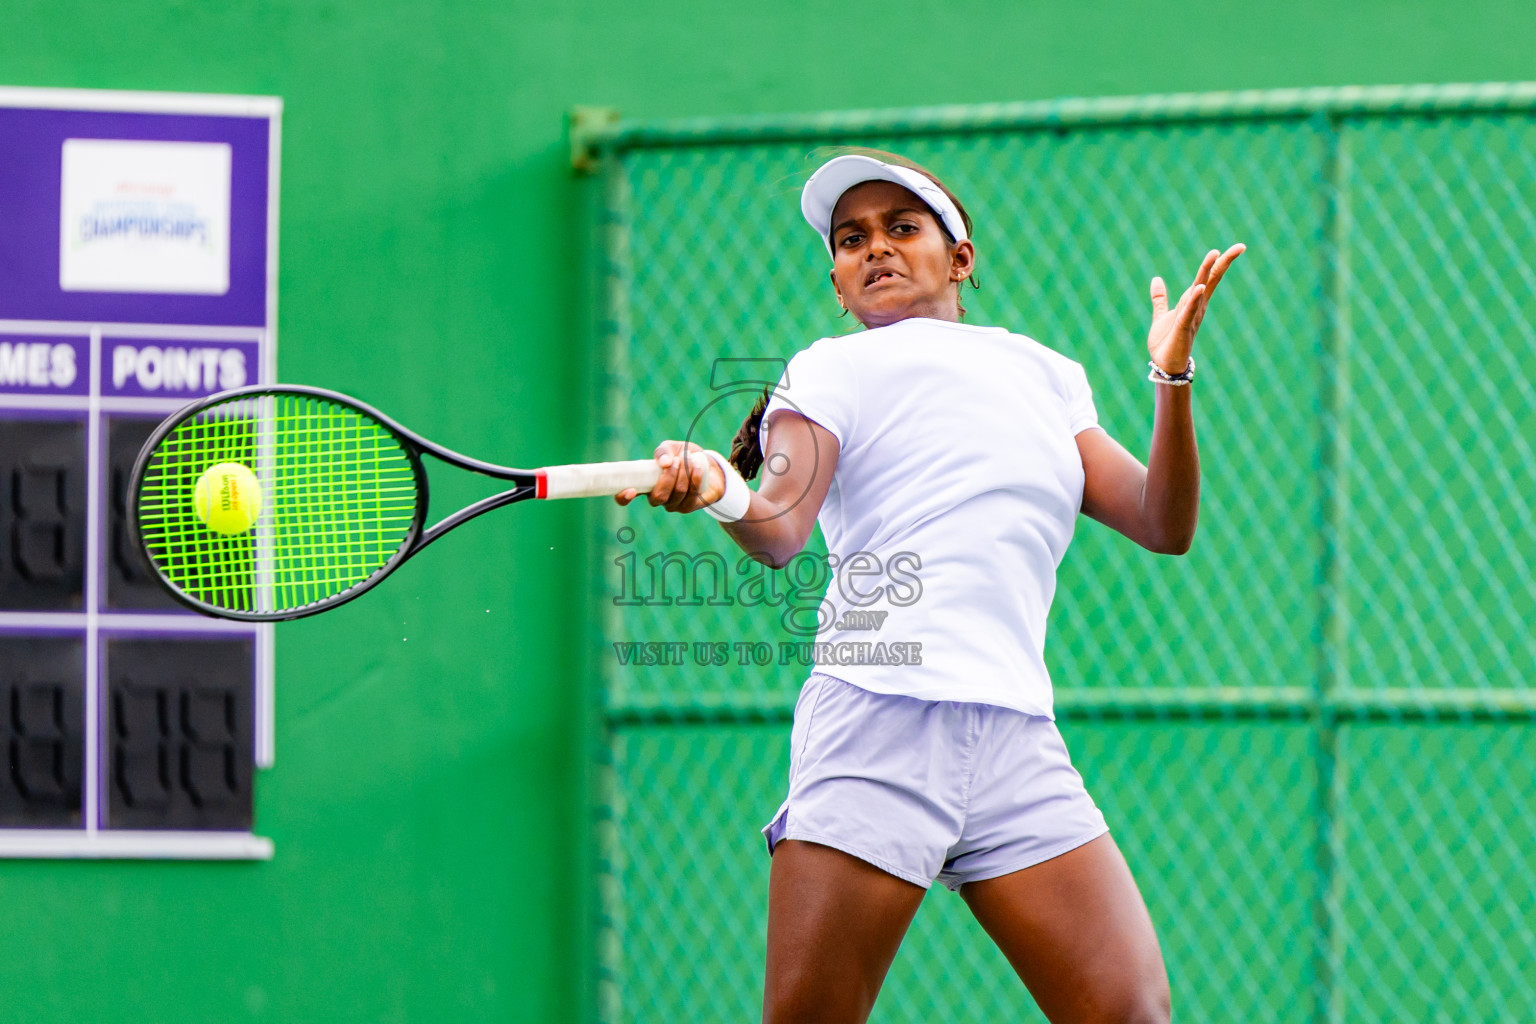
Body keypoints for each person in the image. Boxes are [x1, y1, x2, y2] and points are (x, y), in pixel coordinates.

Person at [616, 150, 1243, 1024]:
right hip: (880, 716)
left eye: (901, 228)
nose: (875, 248)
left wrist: (1171, 379)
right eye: (851, 239)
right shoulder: (829, 370)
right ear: (836, 281)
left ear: (961, 258)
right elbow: (779, 530)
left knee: (1130, 1012)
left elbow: (1162, 523)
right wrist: (721, 489)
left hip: (1016, 736)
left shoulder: (1046, 374)